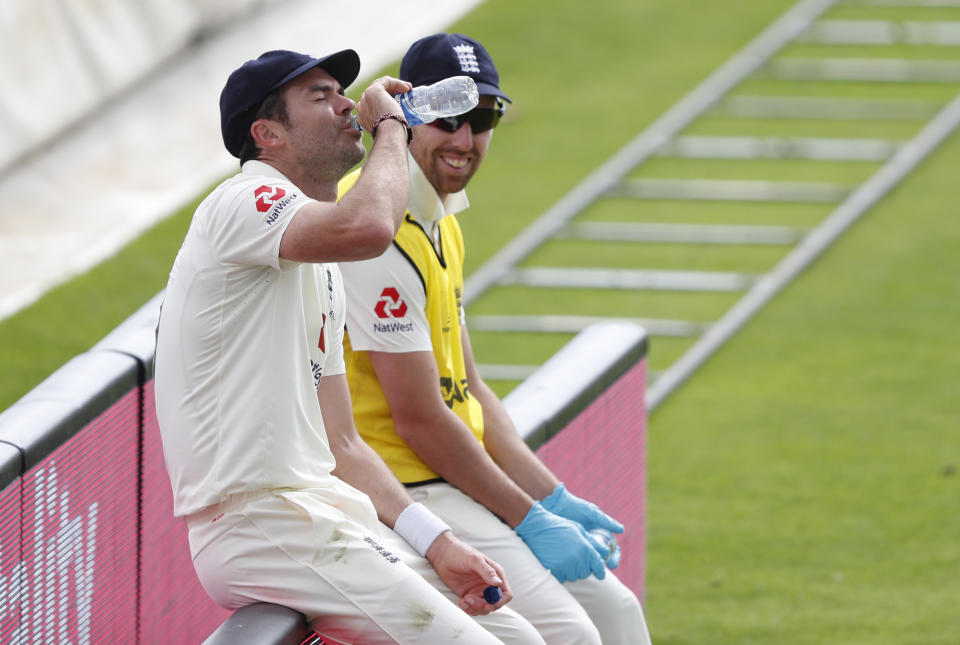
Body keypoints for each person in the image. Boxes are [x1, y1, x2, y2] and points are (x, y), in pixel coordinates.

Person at [153, 47, 547, 645]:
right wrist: (392, 127)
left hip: (321, 510)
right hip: (258, 520)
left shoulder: (322, 262)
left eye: (343, 91)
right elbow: (369, 227)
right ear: (268, 134)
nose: (346, 104)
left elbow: (343, 444)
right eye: (319, 96)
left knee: (520, 637)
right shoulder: (240, 201)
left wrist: (438, 541)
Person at [338, 33, 652, 645]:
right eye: (447, 117)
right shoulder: (379, 228)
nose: (464, 139)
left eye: (482, 118)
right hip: (407, 490)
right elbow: (421, 422)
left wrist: (553, 497)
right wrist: (532, 517)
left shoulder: (438, 217)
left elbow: (470, 389)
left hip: (450, 480)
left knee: (617, 614)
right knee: (572, 638)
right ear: (407, 114)